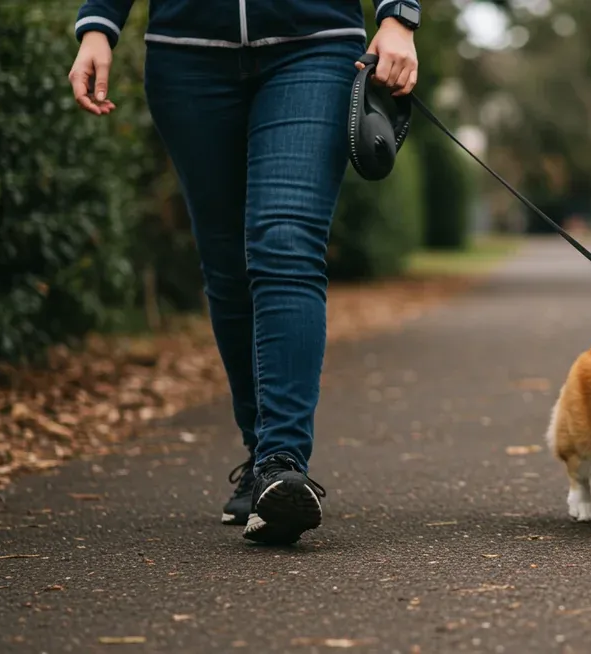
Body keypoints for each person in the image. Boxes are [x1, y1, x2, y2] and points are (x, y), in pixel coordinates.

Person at [68, 0, 421, 545]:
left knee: (286, 240)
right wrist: (98, 25)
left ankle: (283, 460)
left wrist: (397, 15)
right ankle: (260, 454)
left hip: (316, 42)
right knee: (227, 263)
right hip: (187, 55)